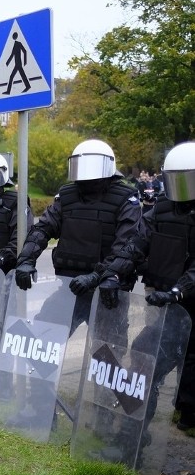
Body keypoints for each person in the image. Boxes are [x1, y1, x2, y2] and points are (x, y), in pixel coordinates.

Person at [100, 141, 195, 431]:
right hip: (166, 301)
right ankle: (133, 436)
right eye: (174, 179)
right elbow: (136, 243)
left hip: (186, 298)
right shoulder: (162, 208)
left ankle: (188, 416)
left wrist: (180, 289)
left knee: (191, 363)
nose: (179, 186)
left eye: (186, 180)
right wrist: (113, 274)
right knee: (144, 354)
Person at [13, 139, 141, 327]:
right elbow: (43, 228)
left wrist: (96, 277)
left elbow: (127, 246)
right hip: (69, 286)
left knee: (107, 353)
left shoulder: (125, 199)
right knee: (41, 341)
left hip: (107, 290)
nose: (87, 173)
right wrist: (25, 260)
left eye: (93, 166)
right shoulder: (67, 196)